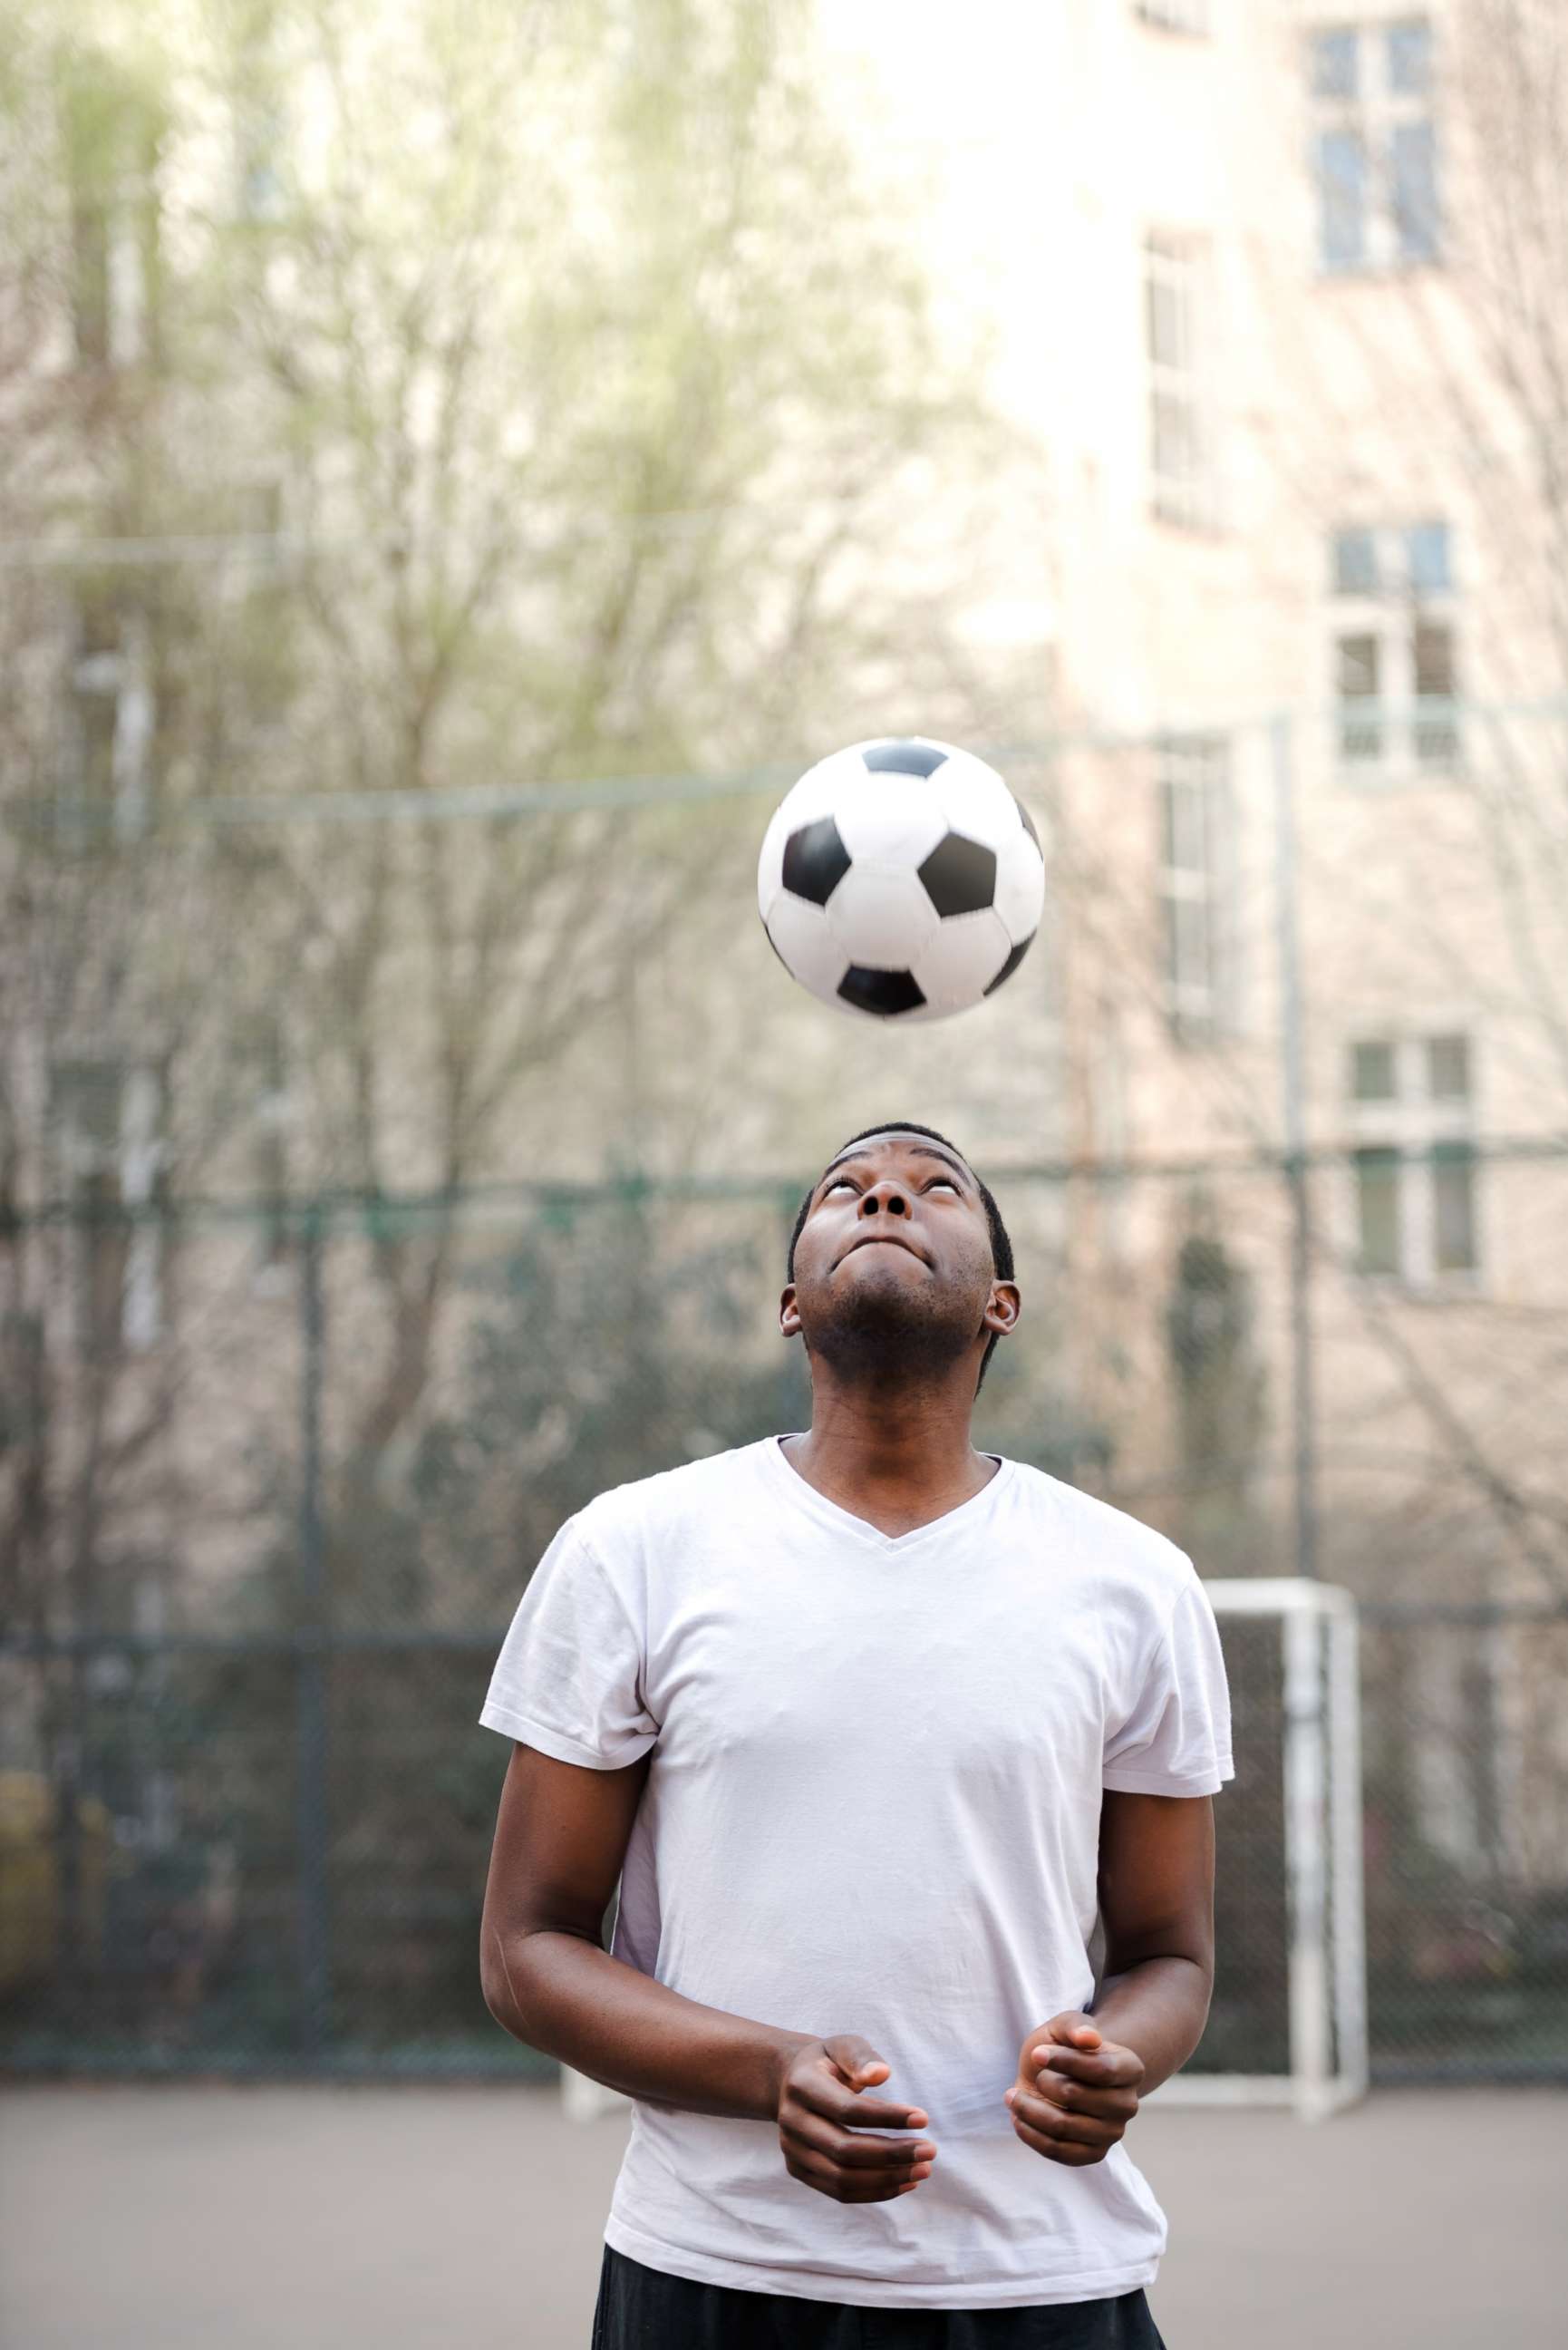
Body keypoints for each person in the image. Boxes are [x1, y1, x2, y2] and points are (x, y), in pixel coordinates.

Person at [479, 1121, 1234, 2347]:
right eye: (846, 1189)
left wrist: (1119, 2060)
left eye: (935, 1189)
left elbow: (1172, 1958)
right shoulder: (632, 1549)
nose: (885, 1195)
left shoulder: (1133, 1581)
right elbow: (524, 1949)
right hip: (715, 2270)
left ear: (1001, 1300)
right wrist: (767, 2071)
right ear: (790, 1302)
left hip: (1041, 2280)